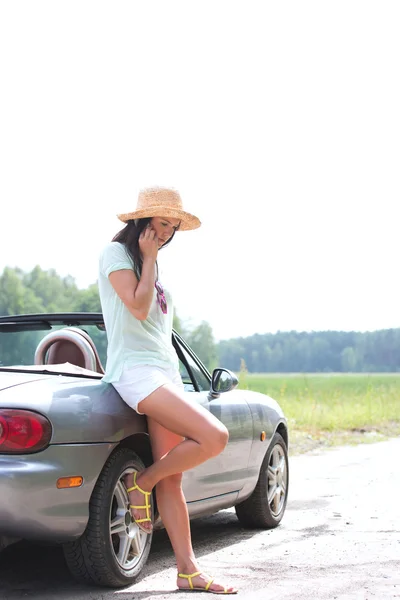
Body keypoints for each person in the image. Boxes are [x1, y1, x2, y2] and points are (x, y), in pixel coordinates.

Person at [98, 187, 237, 595]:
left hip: (164, 373)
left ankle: (188, 570)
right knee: (215, 436)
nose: (166, 234)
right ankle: (143, 481)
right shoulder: (116, 256)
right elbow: (137, 309)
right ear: (142, 221)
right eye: (162, 224)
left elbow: (155, 327)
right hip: (136, 372)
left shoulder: (150, 264)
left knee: (172, 480)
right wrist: (149, 259)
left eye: (172, 228)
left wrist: (151, 262)